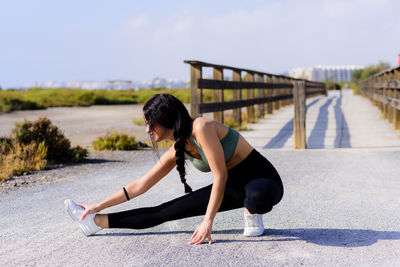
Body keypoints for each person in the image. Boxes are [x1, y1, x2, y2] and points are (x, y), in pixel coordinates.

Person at [64, 93, 284, 244]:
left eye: (151, 123)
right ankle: (96, 223)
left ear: (165, 120)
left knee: (257, 195)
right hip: (231, 185)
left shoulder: (202, 128)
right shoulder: (176, 149)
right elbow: (140, 185)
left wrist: (207, 222)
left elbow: (220, 175)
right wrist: (97, 206)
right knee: (164, 211)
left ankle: (251, 211)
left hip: (261, 178)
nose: (148, 130)